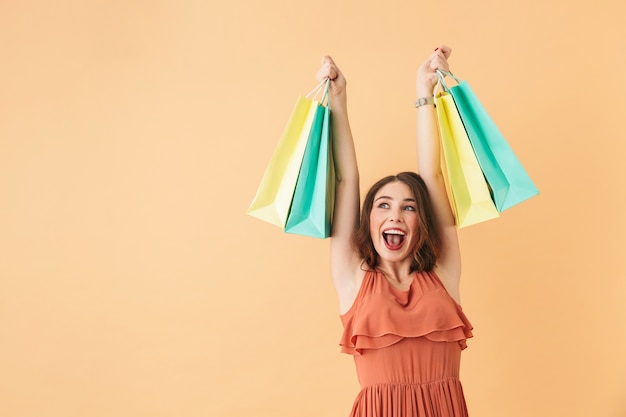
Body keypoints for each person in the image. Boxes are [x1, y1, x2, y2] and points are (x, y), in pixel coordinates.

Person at [316, 46, 474, 416]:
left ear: (422, 222)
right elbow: (346, 179)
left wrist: (425, 92)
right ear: (368, 219)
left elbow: (432, 175)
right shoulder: (352, 280)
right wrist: (338, 100)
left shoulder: (443, 274)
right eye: (383, 205)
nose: (395, 216)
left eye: (409, 207)